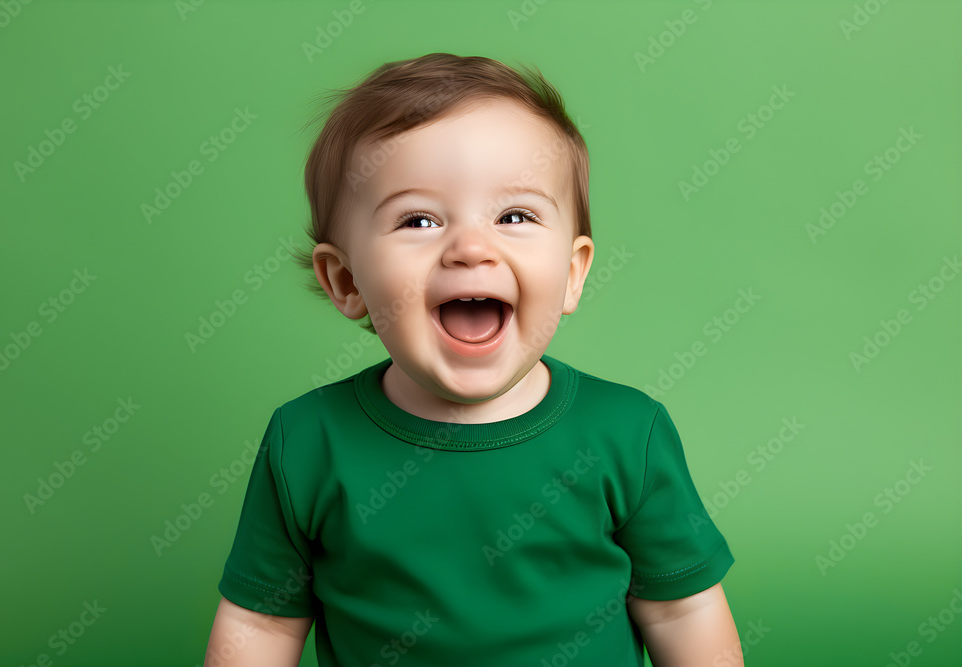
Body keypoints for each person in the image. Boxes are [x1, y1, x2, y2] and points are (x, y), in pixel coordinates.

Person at [204, 52, 742, 667]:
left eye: (515, 215)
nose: (470, 248)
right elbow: (262, 626)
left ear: (571, 274)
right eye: (418, 219)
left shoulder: (627, 433)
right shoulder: (306, 442)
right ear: (346, 280)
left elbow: (682, 608)